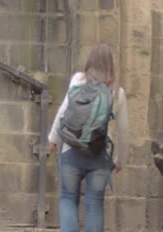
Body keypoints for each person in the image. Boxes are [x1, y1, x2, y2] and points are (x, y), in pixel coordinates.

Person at [48, 43, 129, 232]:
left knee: (68, 198)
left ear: (90, 61)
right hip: (99, 154)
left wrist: (53, 139)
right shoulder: (117, 93)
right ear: (111, 65)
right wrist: (120, 160)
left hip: (71, 150)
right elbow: (124, 130)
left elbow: (64, 110)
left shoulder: (78, 79)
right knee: (94, 204)